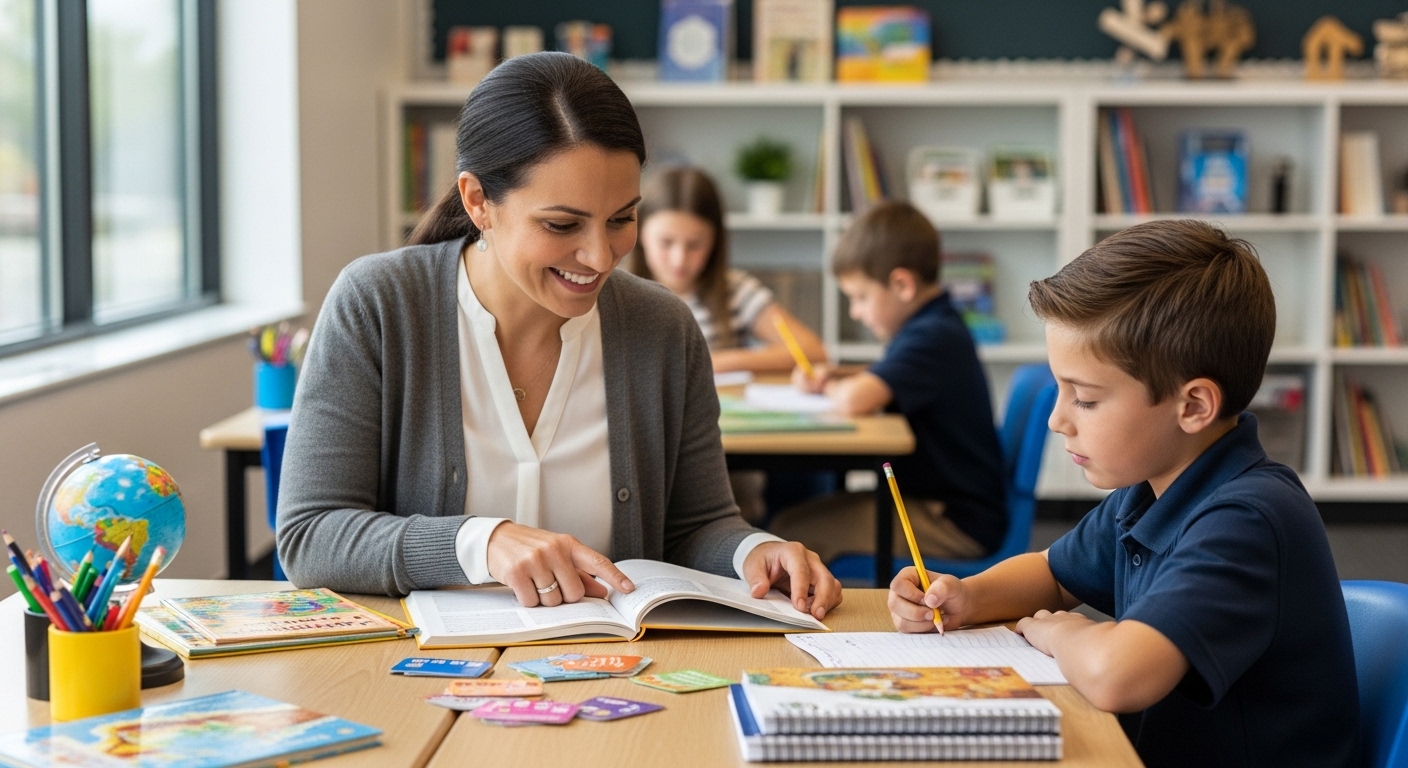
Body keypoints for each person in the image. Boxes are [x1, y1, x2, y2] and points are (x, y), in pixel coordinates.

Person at [276, 52, 841, 622]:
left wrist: (753, 552)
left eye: (621, 218)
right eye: (562, 225)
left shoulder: (664, 328)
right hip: (418, 668)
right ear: (478, 201)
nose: (599, 257)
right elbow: (311, 535)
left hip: (620, 667)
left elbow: (697, 525)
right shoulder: (378, 304)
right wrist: (483, 543)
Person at [888, 220, 1359, 767]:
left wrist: (1064, 634)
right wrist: (966, 597)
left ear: (1193, 406)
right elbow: (1054, 574)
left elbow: (1116, 676)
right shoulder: (1150, 491)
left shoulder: (1248, 520)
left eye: (1085, 399)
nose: (1057, 419)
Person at [769, 201, 1007, 562]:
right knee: (788, 526)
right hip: (940, 505)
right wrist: (837, 374)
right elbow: (886, 371)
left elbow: (856, 400)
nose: (856, 312)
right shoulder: (934, 324)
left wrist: (828, 386)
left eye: (860, 297)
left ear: (902, 285)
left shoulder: (932, 337)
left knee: (787, 536)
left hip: (952, 522)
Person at [627, 166, 825, 374]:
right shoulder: (616, 293)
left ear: (715, 241)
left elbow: (813, 351)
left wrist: (712, 362)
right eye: (666, 243)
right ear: (638, 233)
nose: (679, 260)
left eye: (695, 245)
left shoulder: (736, 290)